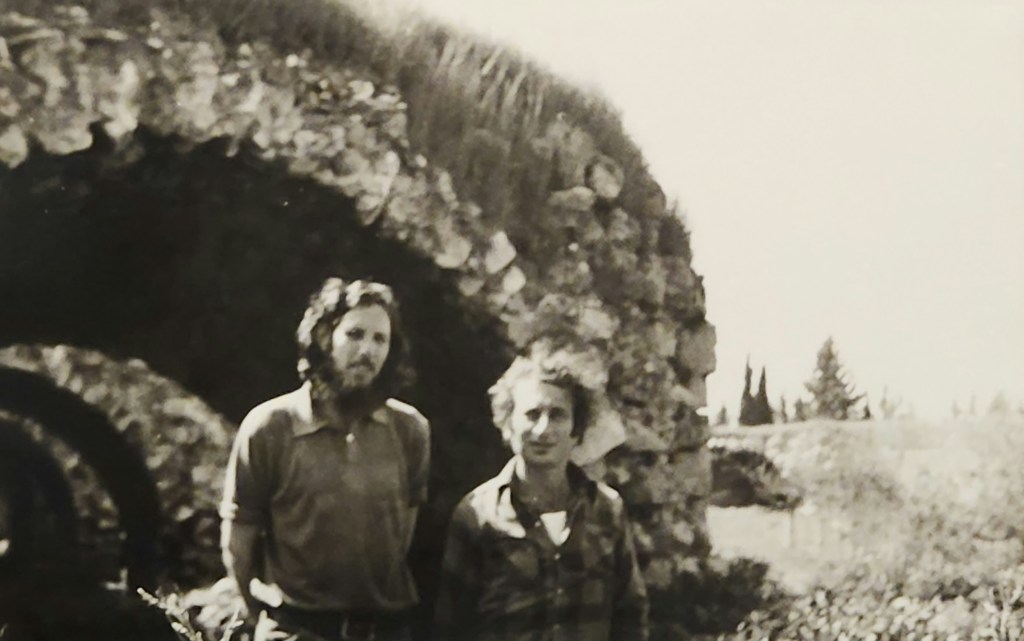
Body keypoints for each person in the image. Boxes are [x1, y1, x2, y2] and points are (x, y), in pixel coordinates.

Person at [220, 278, 430, 641]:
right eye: (355, 334)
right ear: (323, 337)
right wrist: (266, 621)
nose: (367, 350)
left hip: (385, 631)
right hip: (295, 629)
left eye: (380, 339)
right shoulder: (269, 427)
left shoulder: (410, 429)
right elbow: (238, 545)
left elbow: (399, 538)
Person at [434, 343, 649, 641]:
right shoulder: (476, 514)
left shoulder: (607, 509)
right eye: (532, 414)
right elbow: (451, 627)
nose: (543, 430)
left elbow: (631, 615)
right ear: (509, 424)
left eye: (557, 415)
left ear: (576, 429)